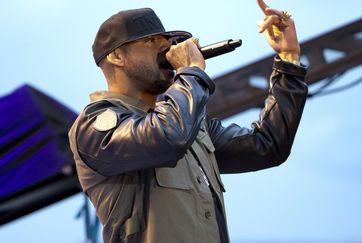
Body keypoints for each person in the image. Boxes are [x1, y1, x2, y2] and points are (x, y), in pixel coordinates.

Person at [69, 1, 308, 242]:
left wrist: (289, 59)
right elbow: (167, 136)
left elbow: (267, 145)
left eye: (169, 41)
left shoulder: (189, 122)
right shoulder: (93, 126)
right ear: (117, 55)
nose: (167, 47)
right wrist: (191, 70)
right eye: (151, 41)